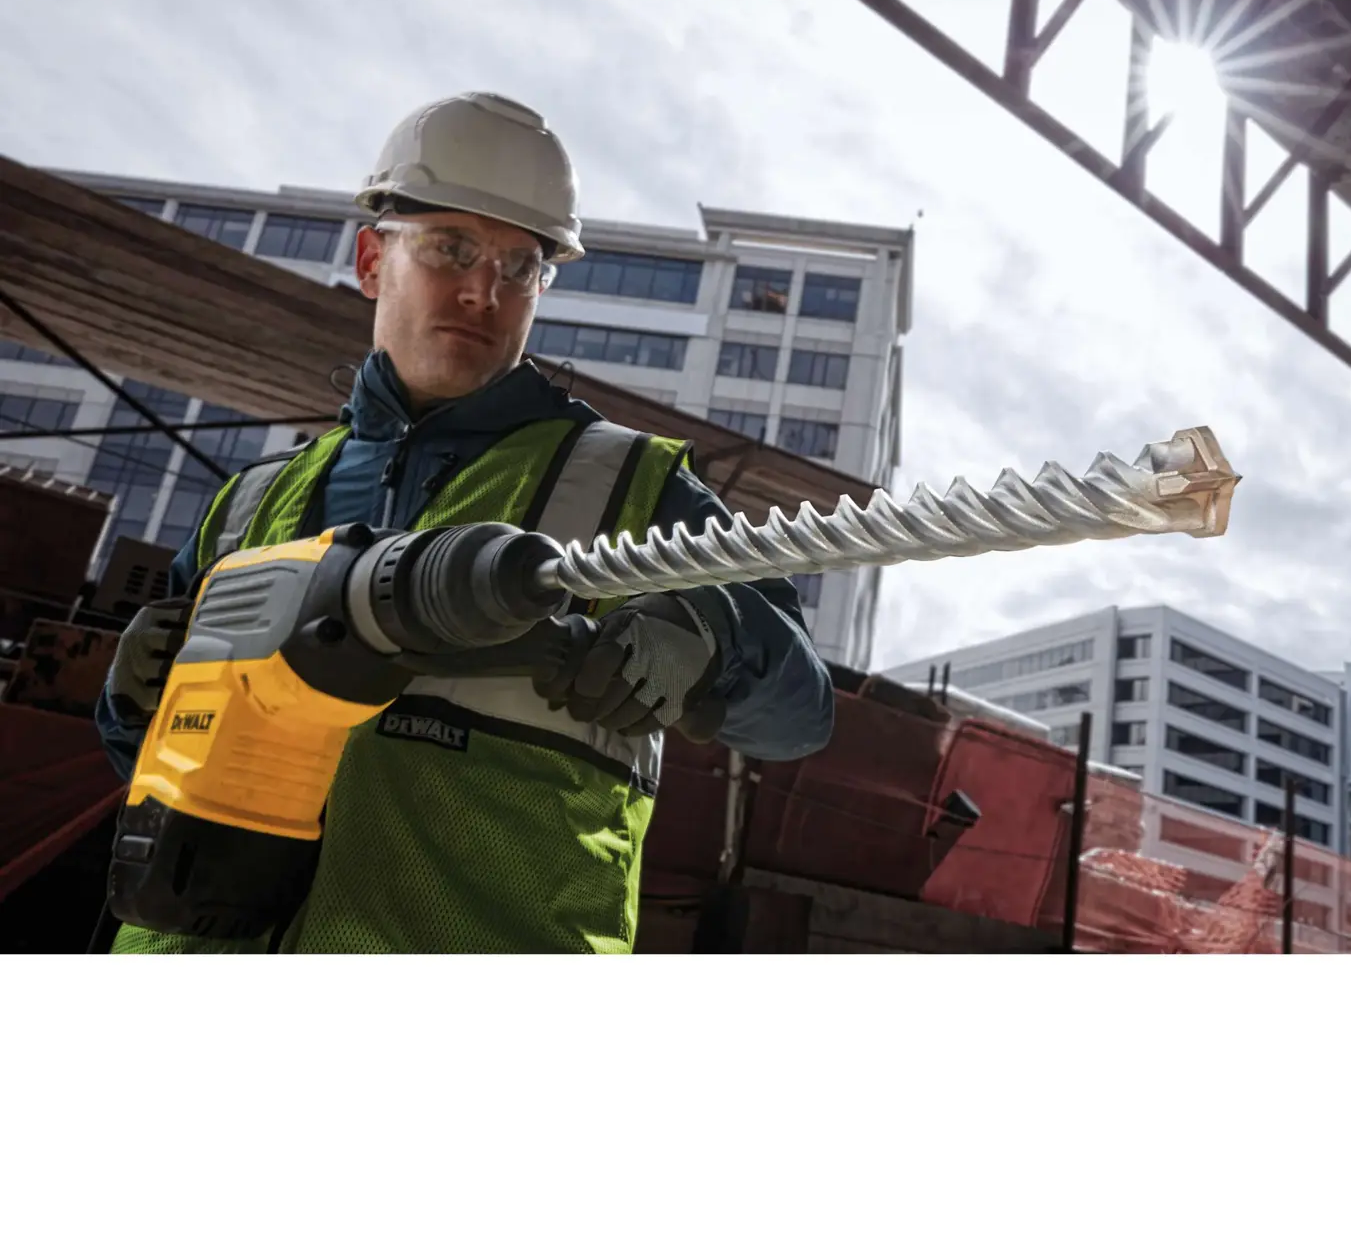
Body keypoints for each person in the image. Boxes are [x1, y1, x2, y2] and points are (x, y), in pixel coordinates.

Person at [94, 91, 834, 954]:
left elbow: (802, 713)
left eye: (521, 266)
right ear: (374, 260)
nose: (485, 290)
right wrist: (131, 699)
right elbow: (150, 764)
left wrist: (707, 640)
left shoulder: (629, 485)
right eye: (452, 248)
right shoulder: (256, 501)